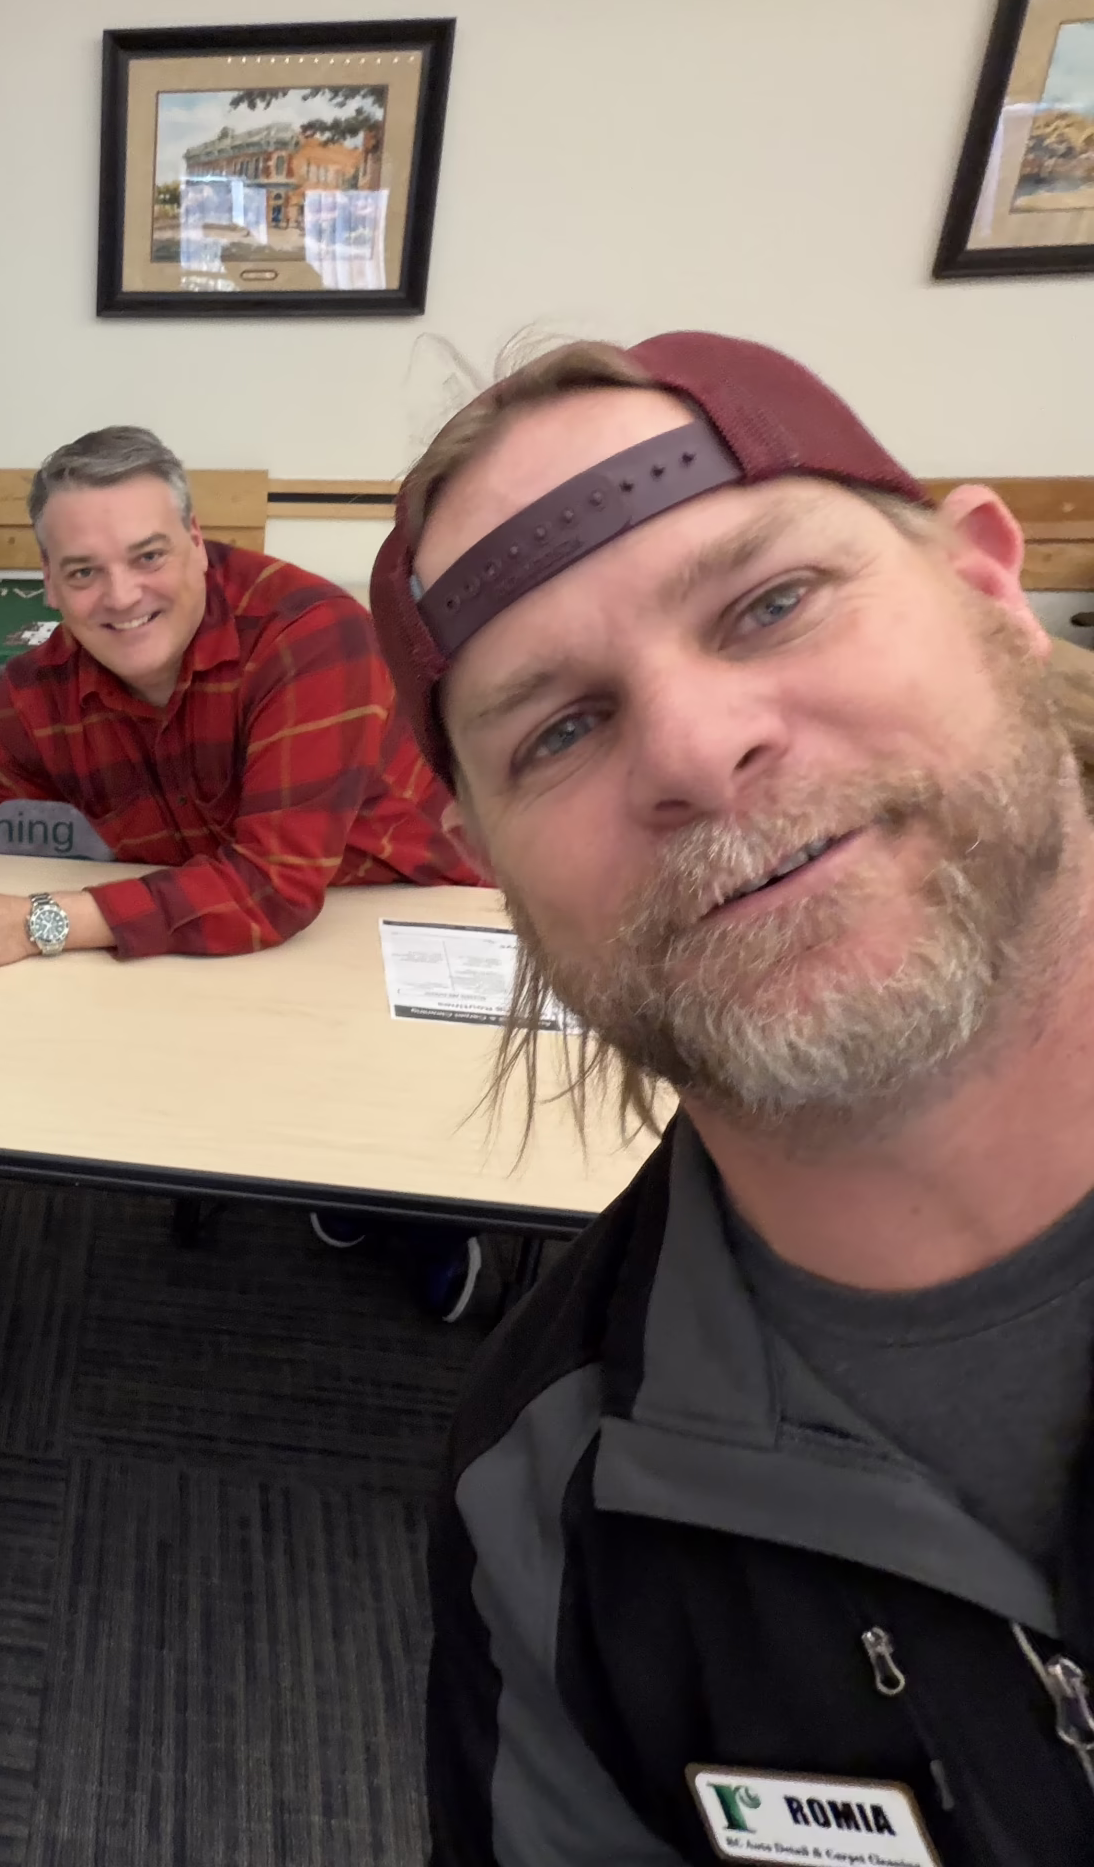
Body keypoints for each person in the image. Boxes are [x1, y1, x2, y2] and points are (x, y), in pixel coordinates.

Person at [372, 332, 1094, 1863]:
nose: (697, 751)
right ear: (486, 860)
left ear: (989, 591)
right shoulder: (549, 1503)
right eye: (559, 728)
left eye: (769, 604)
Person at [0, 425, 477, 972]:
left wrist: (37, 922)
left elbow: (272, 887)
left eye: (149, 556)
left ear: (196, 542)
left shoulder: (312, 637)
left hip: (424, 926)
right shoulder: (50, 689)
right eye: (84, 571)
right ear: (49, 583)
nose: (122, 596)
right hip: (210, 952)